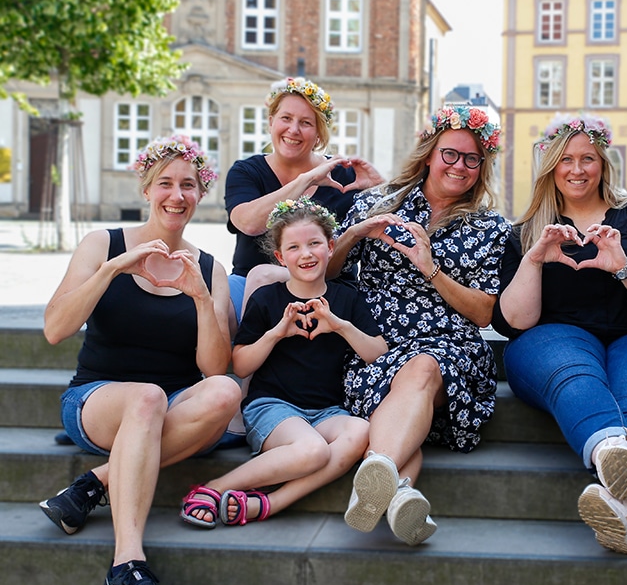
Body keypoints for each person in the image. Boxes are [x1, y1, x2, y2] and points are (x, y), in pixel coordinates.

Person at [39, 136, 242, 585]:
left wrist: (198, 297)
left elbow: (215, 367)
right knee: (145, 398)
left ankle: (95, 483)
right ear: (147, 189)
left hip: (172, 402)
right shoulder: (102, 244)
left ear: (201, 194)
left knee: (227, 392)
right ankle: (124, 569)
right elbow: (54, 328)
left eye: (188, 186)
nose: (177, 195)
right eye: (166, 184)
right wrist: (112, 270)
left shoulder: (209, 267)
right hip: (96, 399)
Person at [492, 113, 627, 556]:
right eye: (566, 159)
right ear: (550, 166)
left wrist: (623, 266)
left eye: (588, 158)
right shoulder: (528, 229)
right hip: (553, 337)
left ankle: (622, 511)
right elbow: (512, 321)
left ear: (604, 163)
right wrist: (534, 260)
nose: (577, 169)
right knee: (574, 374)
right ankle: (610, 451)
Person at [326, 104, 509, 545]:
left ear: (481, 167)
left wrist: (431, 270)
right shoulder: (375, 203)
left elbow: (484, 312)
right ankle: (399, 491)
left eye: (471, 159)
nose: (459, 166)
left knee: (425, 368)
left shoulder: (490, 227)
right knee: (409, 395)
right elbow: (327, 274)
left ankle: (378, 471)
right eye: (450, 154)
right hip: (374, 347)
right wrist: (353, 234)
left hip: (448, 348)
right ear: (429, 153)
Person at [181, 197, 387, 528]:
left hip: (327, 411)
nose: (306, 254)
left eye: (314, 244)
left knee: (361, 430)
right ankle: (214, 488)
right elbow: (242, 366)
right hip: (272, 407)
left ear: (331, 247)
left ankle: (269, 503)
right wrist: (276, 333)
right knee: (313, 451)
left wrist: (340, 326)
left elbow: (377, 352)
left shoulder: (346, 298)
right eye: (294, 247)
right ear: (280, 256)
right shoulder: (268, 298)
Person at [224, 76, 383, 320]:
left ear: (319, 135)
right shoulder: (246, 171)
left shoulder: (344, 175)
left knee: (264, 277)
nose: (293, 130)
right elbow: (248, 223)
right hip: (248, 283)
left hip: (325, 285)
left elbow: (397, 223)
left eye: (306, 123)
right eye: (286, 118)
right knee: (217, 299)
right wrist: (306, 180)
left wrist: (381, 186)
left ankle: (250, 351)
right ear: (271, 122)